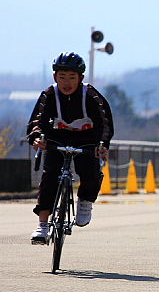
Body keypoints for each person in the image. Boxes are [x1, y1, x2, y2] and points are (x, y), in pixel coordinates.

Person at [27, 52, 113, 244]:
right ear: (55, 77)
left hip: (86, 139)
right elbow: (36, 121)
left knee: (90, 170)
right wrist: (36, 138)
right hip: (56, 139)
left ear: (80, 78)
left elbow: (105, 123)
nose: (67, 82)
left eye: (72, 77)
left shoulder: (91, 96)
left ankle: (85, 201)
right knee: (50, 176)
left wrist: (102, 145)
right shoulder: (49, 95)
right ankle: (42, 225)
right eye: (62, 77)